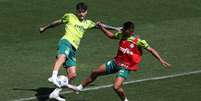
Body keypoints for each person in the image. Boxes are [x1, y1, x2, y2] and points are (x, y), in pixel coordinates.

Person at [39, 2, 120, 101]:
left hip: (74, 48)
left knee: (72, 75)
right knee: (63, 56)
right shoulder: (70, 16)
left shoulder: (87, 23)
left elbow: (100, 26)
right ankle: (54, 76)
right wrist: (45, 27)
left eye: (83, 12)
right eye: (79, 12)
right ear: (76, 11)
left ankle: (55, 93)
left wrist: (115, 28)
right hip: (66, 41)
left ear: (86, 12)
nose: (81, 14)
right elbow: (57, 22)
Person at [72, 21, 171, 101]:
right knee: (95, 72)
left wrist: (161, 60)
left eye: (125, 29)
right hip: (116, 62)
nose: (122, 30)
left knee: (116, 87)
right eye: (123, 29)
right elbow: (111, 36)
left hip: (126, 66)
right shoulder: (122, 35)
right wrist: (102, 28)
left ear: (131, 31)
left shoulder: (138, 41)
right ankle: (79, 88)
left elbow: (151, 50)